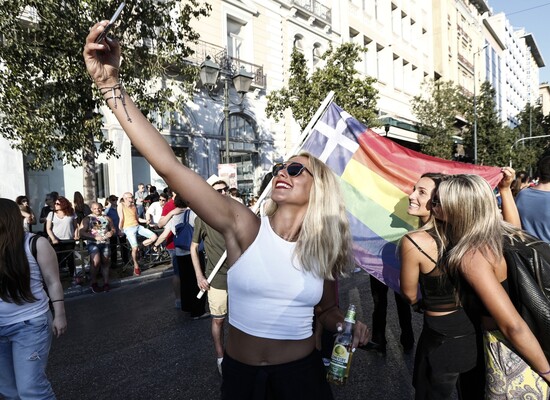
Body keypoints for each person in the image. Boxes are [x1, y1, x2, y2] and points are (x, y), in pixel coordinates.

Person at [84, 26, 370, 399]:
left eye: (297, 170)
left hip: (302, 379)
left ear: (321, 190)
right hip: (242, 380)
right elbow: (171, 167)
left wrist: (349, 327)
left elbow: (327, 311)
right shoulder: (245, 226)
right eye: (282, 166)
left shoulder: (323, 247)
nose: (283, 171)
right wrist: (110, 86)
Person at [432, 174, 550, 398]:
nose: (434, 206)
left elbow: (512, 325)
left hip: (505, 349)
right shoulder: (506, 235)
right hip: (533, 341)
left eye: (439, 201)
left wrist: (549, 372)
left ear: (459, 208)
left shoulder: (471, 256)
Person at [400, 169, 519, 400]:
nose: (412, 195)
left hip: (439, 341)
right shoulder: (471, 236)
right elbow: (514, 233)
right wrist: (505, 190)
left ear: (440, 201)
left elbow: (409, 294)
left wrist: (420, 302)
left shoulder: (415, 242)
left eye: (422, 192)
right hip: (475, 335)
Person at [0, 198, 67, 399]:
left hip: (30, 325)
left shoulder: (35, 243)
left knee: (31, 390)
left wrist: (60, 315)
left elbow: (53, 281)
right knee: (8, 391)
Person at [192, 180, 231, 375]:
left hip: (240, 278)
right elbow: (193, 247)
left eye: (225, 190)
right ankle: (220, 357)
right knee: (219, 320)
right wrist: (199, 276)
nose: (223, 193)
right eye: (218, 191)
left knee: (242, 322)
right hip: (217, 280)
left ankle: (240, 357)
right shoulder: (203, 218)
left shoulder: (236, 213)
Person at [154, 196, 207, 319]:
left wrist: (156, 244)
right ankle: (198, 311)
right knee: (197, 282)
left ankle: (187, 306)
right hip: (193, 252)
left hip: (179, 253)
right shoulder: (193, 214)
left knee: (186, 281)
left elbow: (165, 233)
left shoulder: (174, 217)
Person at [117, 192, 157, 276]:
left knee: (154, 237)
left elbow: (138, 218)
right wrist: (120, 229)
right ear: (125, 198)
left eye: (132, 197)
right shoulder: (121, 205)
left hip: (137, 226)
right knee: (134, 248)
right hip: (128, 228)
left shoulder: (134, 206)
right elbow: (121, 218)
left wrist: (146, 221)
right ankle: (136, 266)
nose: (132, 198)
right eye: (130, 197)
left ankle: (140, 246)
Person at [80, 202, 116, 293]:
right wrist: (94, 237)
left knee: (105, 262)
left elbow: (113, 228)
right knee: (95, 262)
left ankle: (106, 283)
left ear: (102, 208)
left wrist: (111, 232)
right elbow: (82, 232)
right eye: (95, 208)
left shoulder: (106, 218)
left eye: (99, 208)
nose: (97, 210)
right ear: (91, 209)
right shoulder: (87, 219)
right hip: (93, 243)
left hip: (105, 242)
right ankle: (94, 283)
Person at [46, 196, 79, 285]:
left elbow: (76, 226)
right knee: (56, 259)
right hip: (57, 240)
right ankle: (56, 278)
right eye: (55, 203)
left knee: (71, 259)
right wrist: (53, 238)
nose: (55, 205)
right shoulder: (51, 214)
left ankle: (73, 276)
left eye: (58, 203)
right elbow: (48, 228)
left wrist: (76, 235)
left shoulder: (71, 213)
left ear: (63, 204)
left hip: (69, 239)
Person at [104, 194, 129, 268]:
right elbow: (105, 220)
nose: (114, 201)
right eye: (112, 200)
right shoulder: (107, 210)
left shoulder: (120, 208)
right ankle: (114, 263)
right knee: (113, 247)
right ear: (110, 201)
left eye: (115, 199)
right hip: (113, 230)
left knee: (124, 246)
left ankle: (126, 261)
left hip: (121, 229)